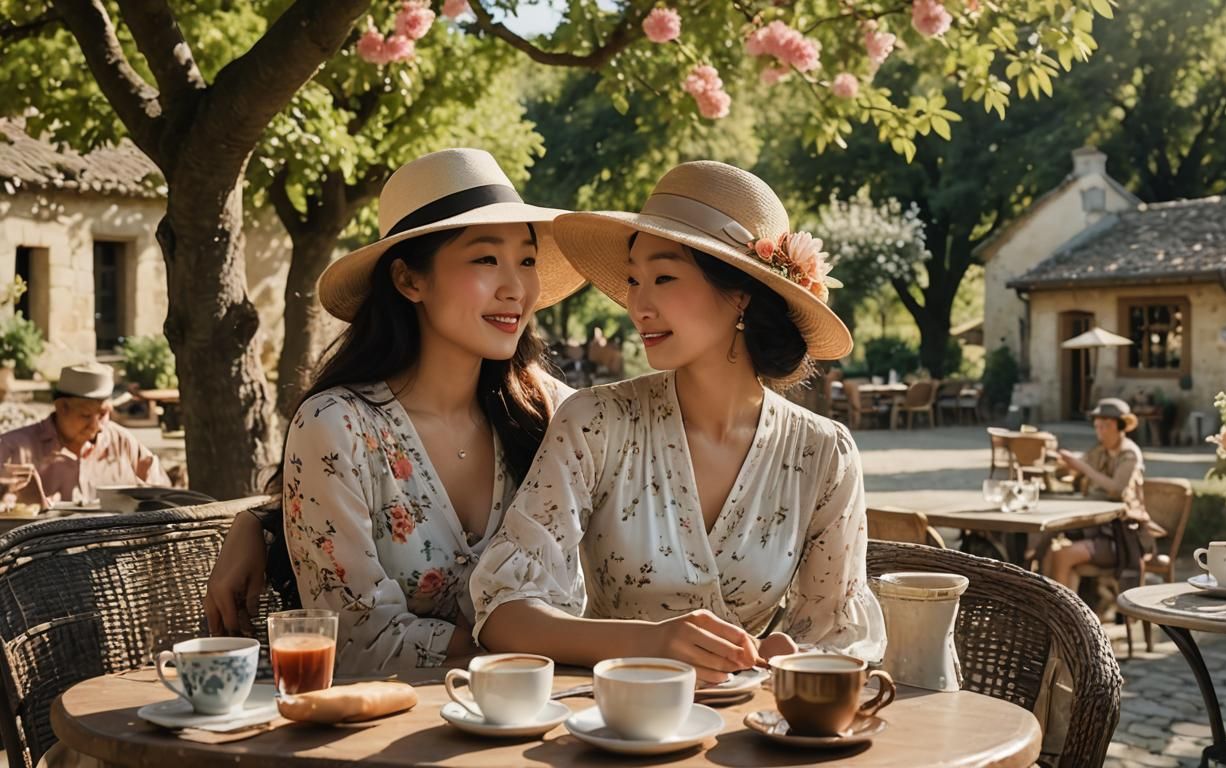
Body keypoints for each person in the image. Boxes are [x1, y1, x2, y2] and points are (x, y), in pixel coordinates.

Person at [471, 161, 886, 682]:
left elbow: (837, 631)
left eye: (663, 277)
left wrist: (788, 647)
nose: (637, 305)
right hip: (613, 729)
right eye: (633, 280)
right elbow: (504, 612)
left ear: (742, 296)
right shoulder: (596, 422)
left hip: (751, 736)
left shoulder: (824, 453)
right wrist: (652, 642)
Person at [201, 149, 585, 675]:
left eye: (526, 260)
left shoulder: (553, 416)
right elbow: (356, 640)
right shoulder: (338, 427)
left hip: (538, 725)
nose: (516, 288)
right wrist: (533, 651)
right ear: (409, 281)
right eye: (485, 259)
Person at [0, 362, 169, 505]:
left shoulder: (122, 442)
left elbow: (164, 497)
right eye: (86, 416)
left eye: (104, 414)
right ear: (61, 407)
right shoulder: (12, 448)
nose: (99, 426)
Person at [1043, 398, 1161, 591]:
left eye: (1104, 427)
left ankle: (1063, 615)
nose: (1100, 432)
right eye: (1097, 427)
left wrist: (1083, 467)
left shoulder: (1129, 454)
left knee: (1062, 555)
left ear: (1116, 426)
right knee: (1048, 553)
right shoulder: (1100, 451)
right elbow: (1073, 473)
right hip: (1095, 529)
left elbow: (1116, 488)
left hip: (1120, 536)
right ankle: (1058, 614)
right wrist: (1061, 463)